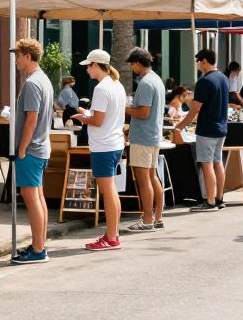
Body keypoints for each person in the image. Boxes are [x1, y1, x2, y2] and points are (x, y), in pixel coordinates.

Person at [71, 49, 126, 250]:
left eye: (89, 66)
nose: (87, 69)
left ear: (96, 65)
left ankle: (111, 237)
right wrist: (89, 114)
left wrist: (83, 118)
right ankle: (114, 234)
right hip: (114, 143)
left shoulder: (101, 88)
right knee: (111, 190)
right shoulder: (116, 85)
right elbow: (105, 115)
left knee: (108, 191)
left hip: (104, 145)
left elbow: (98, 120)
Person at [10, 38, 54, 264]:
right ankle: (39, 244)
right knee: (37, 197)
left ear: (28, 55)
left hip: (32, 148)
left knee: (32, 198)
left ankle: (38, 249)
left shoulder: (32, 83)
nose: (15, 59)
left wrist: (22, 148)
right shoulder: (43, 80)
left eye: (18, 55)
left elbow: (31, 119)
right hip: (41, 146)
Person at [175, 49, 229, 211]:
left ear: (204, 61)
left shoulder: (205, 81)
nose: (198, 65)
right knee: (217, 162)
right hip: (221, 127)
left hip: (207, 128)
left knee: (207, 164)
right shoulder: (223, 78)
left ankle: (210, 201)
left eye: (199, 61)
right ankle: (219, 198)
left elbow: (194, 110)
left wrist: (180, 126)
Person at [123, 47, 165, 232]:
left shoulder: (146, 83)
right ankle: (157, 218)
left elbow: (143, 112)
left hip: (143, 136)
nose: (132, 68)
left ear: (139, 64)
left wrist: (125, 108)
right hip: (153, 135)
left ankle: (147, 219)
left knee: (143, 179)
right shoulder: (156, 80)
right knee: (152, 176)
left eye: (132, 64)